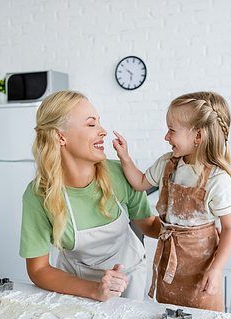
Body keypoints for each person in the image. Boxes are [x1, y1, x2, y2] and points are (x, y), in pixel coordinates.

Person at [19, 90, 161, 302]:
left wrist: (191, 230)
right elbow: (38, 269)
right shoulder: (38, 195)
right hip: (73, 285)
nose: (103, 131)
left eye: (99, 123)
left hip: (127, 280)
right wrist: (94, 290)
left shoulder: (120, 174)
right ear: (60, 136)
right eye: (91, 124)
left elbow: (148, 225)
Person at [112, 91, 231, 311]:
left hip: (201, 270)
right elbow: (140, 183)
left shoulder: (219, 180)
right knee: (167, 316)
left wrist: (216, 270)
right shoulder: (168, 164)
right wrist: (125, 157)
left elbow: (229, 229)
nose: (166, 137)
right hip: (169, 262)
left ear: (198, 136)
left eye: (172, 130)